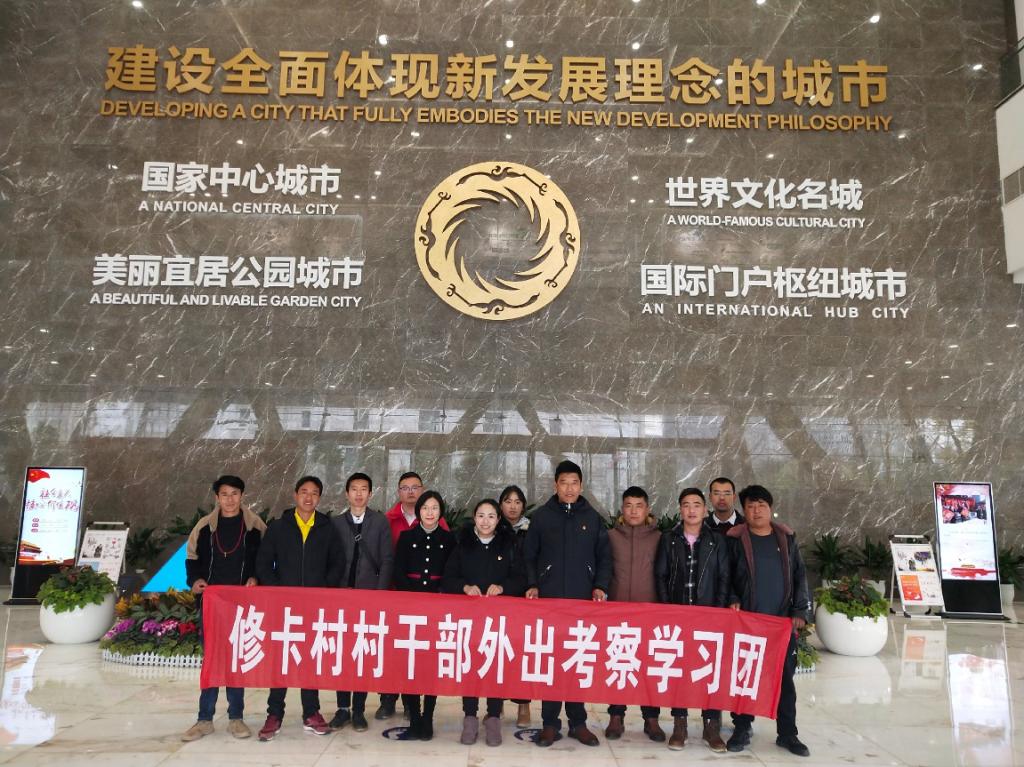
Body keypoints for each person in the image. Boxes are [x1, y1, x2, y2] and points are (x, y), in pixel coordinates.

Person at [524, 459, 611, 748]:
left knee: (576, 660)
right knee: (552, 661)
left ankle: (578, 723)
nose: (570, 488)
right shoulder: (542, 517)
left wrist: (600, 586)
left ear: (581, 485)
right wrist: (533, 584)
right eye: (564, 483)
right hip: (549, 601)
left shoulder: (593, 518)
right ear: (555, 486)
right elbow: (529, 556)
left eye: (574, 483)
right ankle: (550, 723)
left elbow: (604, 557)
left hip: (581, 602)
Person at [255, 476, 345, 742]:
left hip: (314, 607)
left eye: (314, 493)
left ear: (320, 498)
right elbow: (263, 564)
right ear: (295, 495)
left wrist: (323, 590)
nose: (308, 497)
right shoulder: (279, 527)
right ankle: (274, 714)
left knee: (310, 659)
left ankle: (311, 712)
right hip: (284, 607)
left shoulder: (327, 528)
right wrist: (278, 591)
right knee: (281, 659)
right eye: (304, 492)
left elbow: (337, 564)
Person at [725, 485, 811, 758]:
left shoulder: (786, 538)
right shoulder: (735, 539)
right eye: (750, 506)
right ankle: (742, 728)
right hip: (748, 623)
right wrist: (732, 598)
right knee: (745, 677)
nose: (756, 511)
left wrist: (800, 611)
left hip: (780, 624)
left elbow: (799, 575)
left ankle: (787, 733)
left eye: (761, 505)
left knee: (784, 680)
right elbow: (727, 575)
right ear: (744, 511)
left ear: (770, 508)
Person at [181, 475, 266, 742]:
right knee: (212, 660)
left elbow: (266, 559)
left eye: (235, 494)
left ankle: (236, 718)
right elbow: (192, 558)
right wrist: (195, 580)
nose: (230, 499)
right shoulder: (204, 527)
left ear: (242, 496)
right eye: (225, 494)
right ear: (217, 497)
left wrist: (256, 578)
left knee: (236, 660)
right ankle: (204, 719)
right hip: (212, 604)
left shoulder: (255, 526)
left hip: (242, 605)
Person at [443, 498, 526, 746]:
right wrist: (464, 587)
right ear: (474, 518)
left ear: (498, 520)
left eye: (491, 516)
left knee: (494, 667)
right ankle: (469, 717)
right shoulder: (463, 544)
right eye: (481, 515)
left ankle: (493, 717)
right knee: (471, 667)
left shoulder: (509, 545)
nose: (486, 521)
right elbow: (448, 578)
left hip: (499, 622)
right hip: (469, 620)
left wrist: (503, 587)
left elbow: (520, 578)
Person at [654, 487, 730, 752]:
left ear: (705, 510)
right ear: (680, 510)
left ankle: (712, 727)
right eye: (686, 505)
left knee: (710, 672)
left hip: (708, 617)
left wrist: (718, 613)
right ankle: (680, 725)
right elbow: (661, 576)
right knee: (680, 671)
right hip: (678, 618)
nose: (691, 510)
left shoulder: (717, 540)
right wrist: (668, 610)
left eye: (696, 505)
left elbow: (724, 578)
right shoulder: (669, 539)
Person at [378, 471, 448, 721]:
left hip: (432, 604)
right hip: (399, 598)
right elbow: (393, 563)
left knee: (420, 653)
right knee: (395, 651)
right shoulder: (388, 520)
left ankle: (412, 703)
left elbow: (448, 566)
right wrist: (410, 593)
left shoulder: (443, 529)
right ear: (398, 491)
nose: (410, 492)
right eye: (404, 487)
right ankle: (387, 699)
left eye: (415, 487)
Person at [329, 472, 394, 733]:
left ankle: (358, 710)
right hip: (342, 599)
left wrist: (379, 595)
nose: (359, 493)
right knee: (342, 654)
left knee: (361, 654)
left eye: (364, 489)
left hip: (369, 598)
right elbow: (330, 560)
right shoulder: (335, 523)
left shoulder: (380, 522)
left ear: (370, 493)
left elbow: (387, 559)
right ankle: (342, 708)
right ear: (347, 493)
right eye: (354, 489)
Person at [604, 487, 665, 743]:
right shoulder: (609, 537)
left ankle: (651, 718)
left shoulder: (660, 538)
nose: (633, 511)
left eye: (639, 506)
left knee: (649, 668)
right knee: (619, 664)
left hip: (650, 613)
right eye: (628, 505)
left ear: (647, 509)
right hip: (617, 613)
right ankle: (616, 716)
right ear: (622, 509)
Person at [394, 490, 455, 740]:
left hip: (437, 610)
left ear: (441, 512)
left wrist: (438, 596)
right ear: (418, 511)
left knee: (431, 665)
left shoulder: (449, 539)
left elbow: (452, 572)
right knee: (411, 664)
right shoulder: (406, 537)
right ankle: (415, 717)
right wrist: (413, 597)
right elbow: (397, 571)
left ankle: (428, 716)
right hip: (411, 610)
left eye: (434, 508)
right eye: (425, 508)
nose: (430, 513)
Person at [498, 484, 532, 727]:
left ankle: (523, 705)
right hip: (498, 599)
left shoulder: (531, 530)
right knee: (498, 651)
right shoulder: (491, 527)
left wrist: (533, 585)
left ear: (523, 506)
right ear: (501, 505)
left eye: (517, 502)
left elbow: (535, 561)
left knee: (522, 653)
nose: (512, 506)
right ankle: (496, 703)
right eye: (508, 501)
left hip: (523, 599)